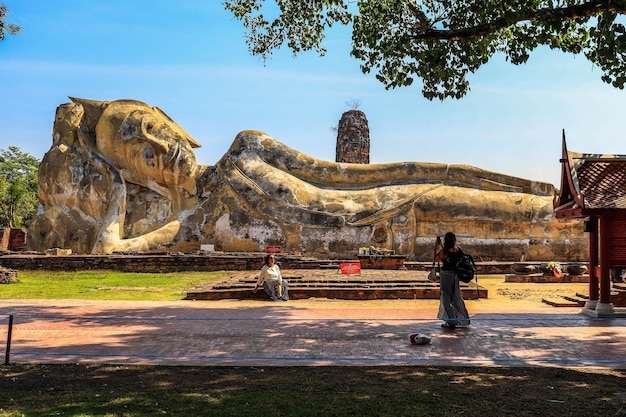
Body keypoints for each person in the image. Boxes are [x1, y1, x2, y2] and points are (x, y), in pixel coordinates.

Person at [434, 232, 470, 328]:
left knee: (446, 298)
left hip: (446, 276)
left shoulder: (444, 252)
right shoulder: (458, 250)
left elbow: (437, 258)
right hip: (455, 276)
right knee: (456, 297)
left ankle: (451, 320)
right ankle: (464, 320)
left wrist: (438, 246)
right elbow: (451, 256)